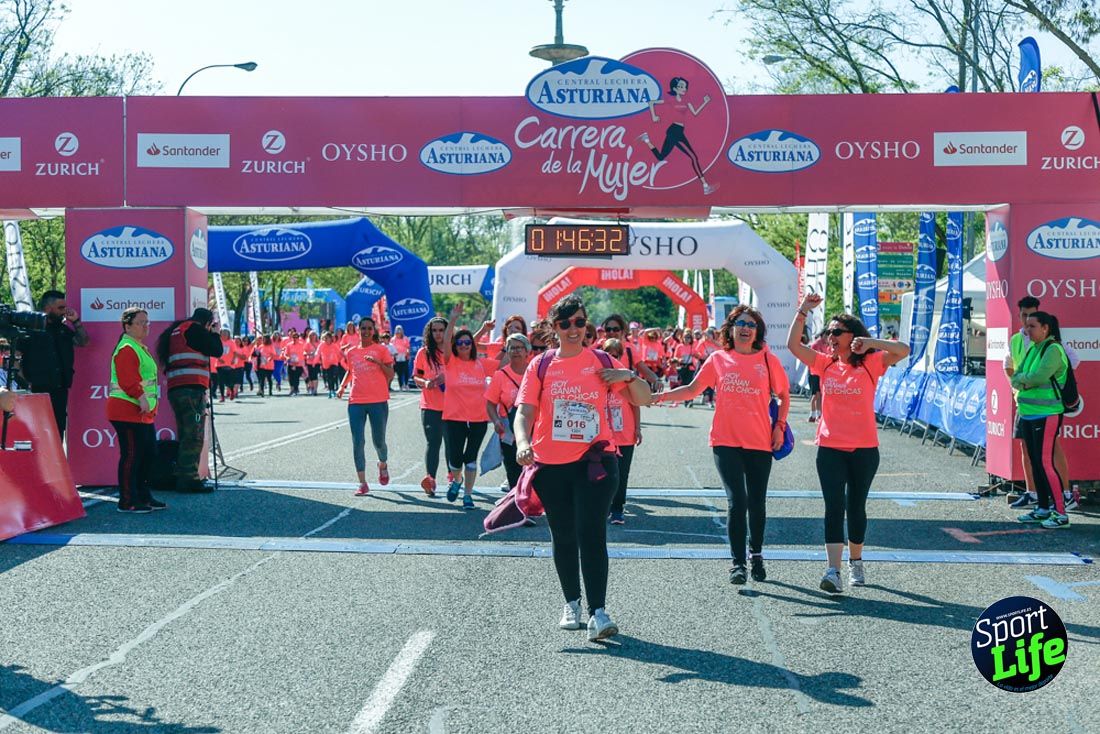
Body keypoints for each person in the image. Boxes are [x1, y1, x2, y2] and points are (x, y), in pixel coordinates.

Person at [514, 294, 652, 642]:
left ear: (586, 324)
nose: (573, 329)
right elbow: (524, 413)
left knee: (592, 534)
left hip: (596, 461)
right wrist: (522, 442)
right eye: (565, 324)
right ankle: (571, 603)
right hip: (550, 464)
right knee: (563, 535)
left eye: (579, 322)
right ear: (554, 328)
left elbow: (644, 397)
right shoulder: (541, 365)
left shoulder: (602, 360)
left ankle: (599, 612)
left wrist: (626, 374)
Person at [656, 306, 790, 584]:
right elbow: (692, 389)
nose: (745, 328)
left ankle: (756, 554)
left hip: (759, 441)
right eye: (740, 323)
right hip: (725, 441)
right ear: (730, 329)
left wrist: (779, 427)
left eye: (751, 324)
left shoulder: (767, 360)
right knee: (736, 501)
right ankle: (738, 563)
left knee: (757, 502)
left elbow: (783, 395)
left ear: (758, 331)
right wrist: (659, 397)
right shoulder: (718, 359)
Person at [787, 293, 909, 594]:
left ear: (852, 336)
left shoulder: (871, 361)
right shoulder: (825, 363)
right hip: (830, 447)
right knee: (833, 507)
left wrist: (871, 343)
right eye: (829, 332)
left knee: (856, 508)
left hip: (864, 449)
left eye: (836, 332)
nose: (831, 336)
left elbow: (904, 349)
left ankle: (856, 561)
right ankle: (833, 570)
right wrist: (803, 310)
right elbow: (793, 346)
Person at [1005, 296, 1080, 511]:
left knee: (1048, 455)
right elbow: (1012, 368)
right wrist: (1019, 383)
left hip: (1046, 409)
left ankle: (1064, 498)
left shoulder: (1053, 345)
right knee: (1029, 453)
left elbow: (1047, 372)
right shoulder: (1018, 340)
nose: (1027, 323)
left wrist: (1052, 378)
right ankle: (1034, 496)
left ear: (1043, 325)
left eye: (1031, 318)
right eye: (1024, 317)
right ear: (1018, 316)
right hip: (1025, 406)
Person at [156, 307, 224, 493]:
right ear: (208, 322)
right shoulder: (195, 330)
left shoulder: (177, 330)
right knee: (194, 433)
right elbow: (217, 350)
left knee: (186, 432)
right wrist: (216, 334)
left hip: (177, 388)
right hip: (192, 390)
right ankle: (189, 479)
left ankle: (182, 474)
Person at [108, 308, 165, 513]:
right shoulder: (127, 347)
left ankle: (143, 495)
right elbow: (127, 379)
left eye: (147, 322)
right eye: (140, 322)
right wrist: (141, 398)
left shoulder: (138, 347)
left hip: (141, 413)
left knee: (148, 454)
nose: (145, 326)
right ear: (127, 326)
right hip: (127, 410)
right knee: (132, 455)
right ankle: (127, 500)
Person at [17, 290, 89, 439]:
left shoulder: (62, 330)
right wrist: (26, 383)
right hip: (37, 391)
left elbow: (83, 342)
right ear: (48, 309)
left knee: (57, 432)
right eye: (60, 308)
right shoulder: (29, 331)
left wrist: (76, 321)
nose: (64, 312)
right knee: (37, 433)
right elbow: (14, 360)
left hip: (59, 391)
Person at [441, 303, 493, 509]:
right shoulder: (450, 361)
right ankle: (457, 480)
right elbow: (447, 341)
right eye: (460, 343)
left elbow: (504, 363)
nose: (464, 345)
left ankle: (468, 495)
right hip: (454, 418)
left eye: (467, 343)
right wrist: (452, 318)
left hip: (479, 418)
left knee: (470, 458)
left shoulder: (480, 363)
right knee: (455, 460)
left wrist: (509, 344)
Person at [337, 317, 395, 496]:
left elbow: (391, 374)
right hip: (356, 401)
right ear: (358, 330)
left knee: (379, 441)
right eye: (363, 328)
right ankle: (362, 483)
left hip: (378, 401)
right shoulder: (352, 352)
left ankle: (382, 464)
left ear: (374, 330)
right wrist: (342, 386)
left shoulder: (381, 350)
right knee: (358, 441)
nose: (366, 331)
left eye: (369, 328)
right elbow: (350, 370)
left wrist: (378, 363)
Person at [639, 76, 716, 195]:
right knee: (693, 157)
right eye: (680, 86)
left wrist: (705, 102)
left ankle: (646, 140)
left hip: (678, 131)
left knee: (660, 157)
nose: (683, 88)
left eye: (684, 86)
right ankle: (705, 186)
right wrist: (653, 116)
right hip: (674, 131)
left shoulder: (686, 100)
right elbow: (651, 102)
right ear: (675, 88)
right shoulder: (671, 100)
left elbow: (695, 112)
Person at [601, 338, 643, 527]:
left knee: (621, 474)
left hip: (625, 434)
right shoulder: (597, 378)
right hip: (602, 435)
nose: (612, 357)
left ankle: (618, 509)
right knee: (603, 473)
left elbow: (635, 404)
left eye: (616, 354)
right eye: (608, 353)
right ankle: (605, 507)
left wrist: (637, 428)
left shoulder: (627, 378)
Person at [485, 333, 531, 492]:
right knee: (513, 470)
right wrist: (496, 421)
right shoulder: (500, 375)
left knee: (532, 471)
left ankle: (530, 504)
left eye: (520, 348)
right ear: (507, 351)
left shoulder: (535, 373)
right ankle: (517, 506)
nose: (516, 351)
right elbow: (490, 404)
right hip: (508, 431)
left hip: (533, 430)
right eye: (512, 348)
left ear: (527, 351)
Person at [413, 317, 451, 496]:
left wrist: (448, 378)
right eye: (434, 330)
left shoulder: (454, 352)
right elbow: (416, 377)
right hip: (430, 406)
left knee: (451, 444)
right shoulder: (423, 353)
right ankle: (431, 480)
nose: (438, 334)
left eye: (441, 330)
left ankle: (453, 477)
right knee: (433, 442)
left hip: (453, 406)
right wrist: (425, 382)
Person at [807, 329, 829, 422]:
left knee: (819, 394)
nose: (828, 338)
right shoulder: (816, 344)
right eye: (826, 336)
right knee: (816, 394)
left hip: (821, 372)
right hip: (814, 372)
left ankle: (816, 415)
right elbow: (812, 358)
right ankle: (814, 415)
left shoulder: (826, 345)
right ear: (823, 335)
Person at [284, 329, 306, 396]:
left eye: (296, 337)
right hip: (291, 363)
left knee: (296, 377)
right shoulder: (289, 345)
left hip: (298, 364)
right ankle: (292, 389)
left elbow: (304, 352)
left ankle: (296, 389)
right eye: (294, 337)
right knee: (291, 377)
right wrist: (287, 358)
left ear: (298, 338)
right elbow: (286, 354)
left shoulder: (302, 345)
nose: (295, 338)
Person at [391, 325, 411, 391]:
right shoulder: (393, 339)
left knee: (406, 372)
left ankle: (406, 384)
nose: (398, 333)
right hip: (396, 357)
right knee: (399, 373)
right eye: (397, 331)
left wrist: (407, 352)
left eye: (400, 331)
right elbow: (392, 348)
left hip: (404, 357)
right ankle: (401, 385)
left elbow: (408, 347)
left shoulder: (405, 338)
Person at [304, 331, 322, 396]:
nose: (313, 336)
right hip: (309, 361)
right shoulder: (307, 344)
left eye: (314, 335)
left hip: (317, 361)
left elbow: (321, 352)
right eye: (311, 335)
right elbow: (304, 352)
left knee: (315, 375)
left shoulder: (319, 343)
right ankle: (312, 388)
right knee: (311, 376)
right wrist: (309, 353)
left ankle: (315, 390)